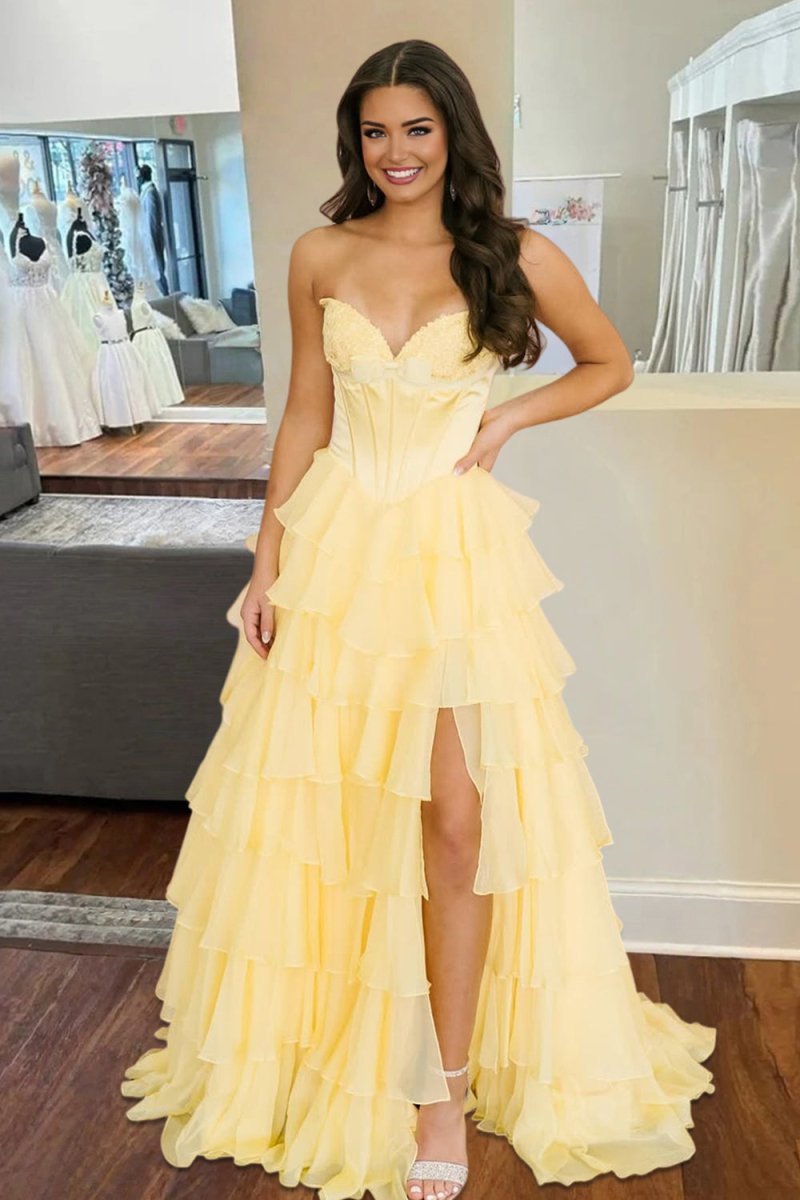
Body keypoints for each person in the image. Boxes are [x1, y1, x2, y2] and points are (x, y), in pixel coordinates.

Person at [121, 39, 716, 1200]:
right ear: (355, 141)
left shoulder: (511, 253)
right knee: (337, 816)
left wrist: (505, 422)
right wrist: (267, 561)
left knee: (455, 822)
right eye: (375, 131)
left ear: (453, 134)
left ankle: (441, 1088)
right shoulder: (320, 252)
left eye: (417, 129)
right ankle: (338, 1050)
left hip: (448, 553)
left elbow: (607, 363)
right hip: (338, 549)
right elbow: (304, 414)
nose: (395, 152)